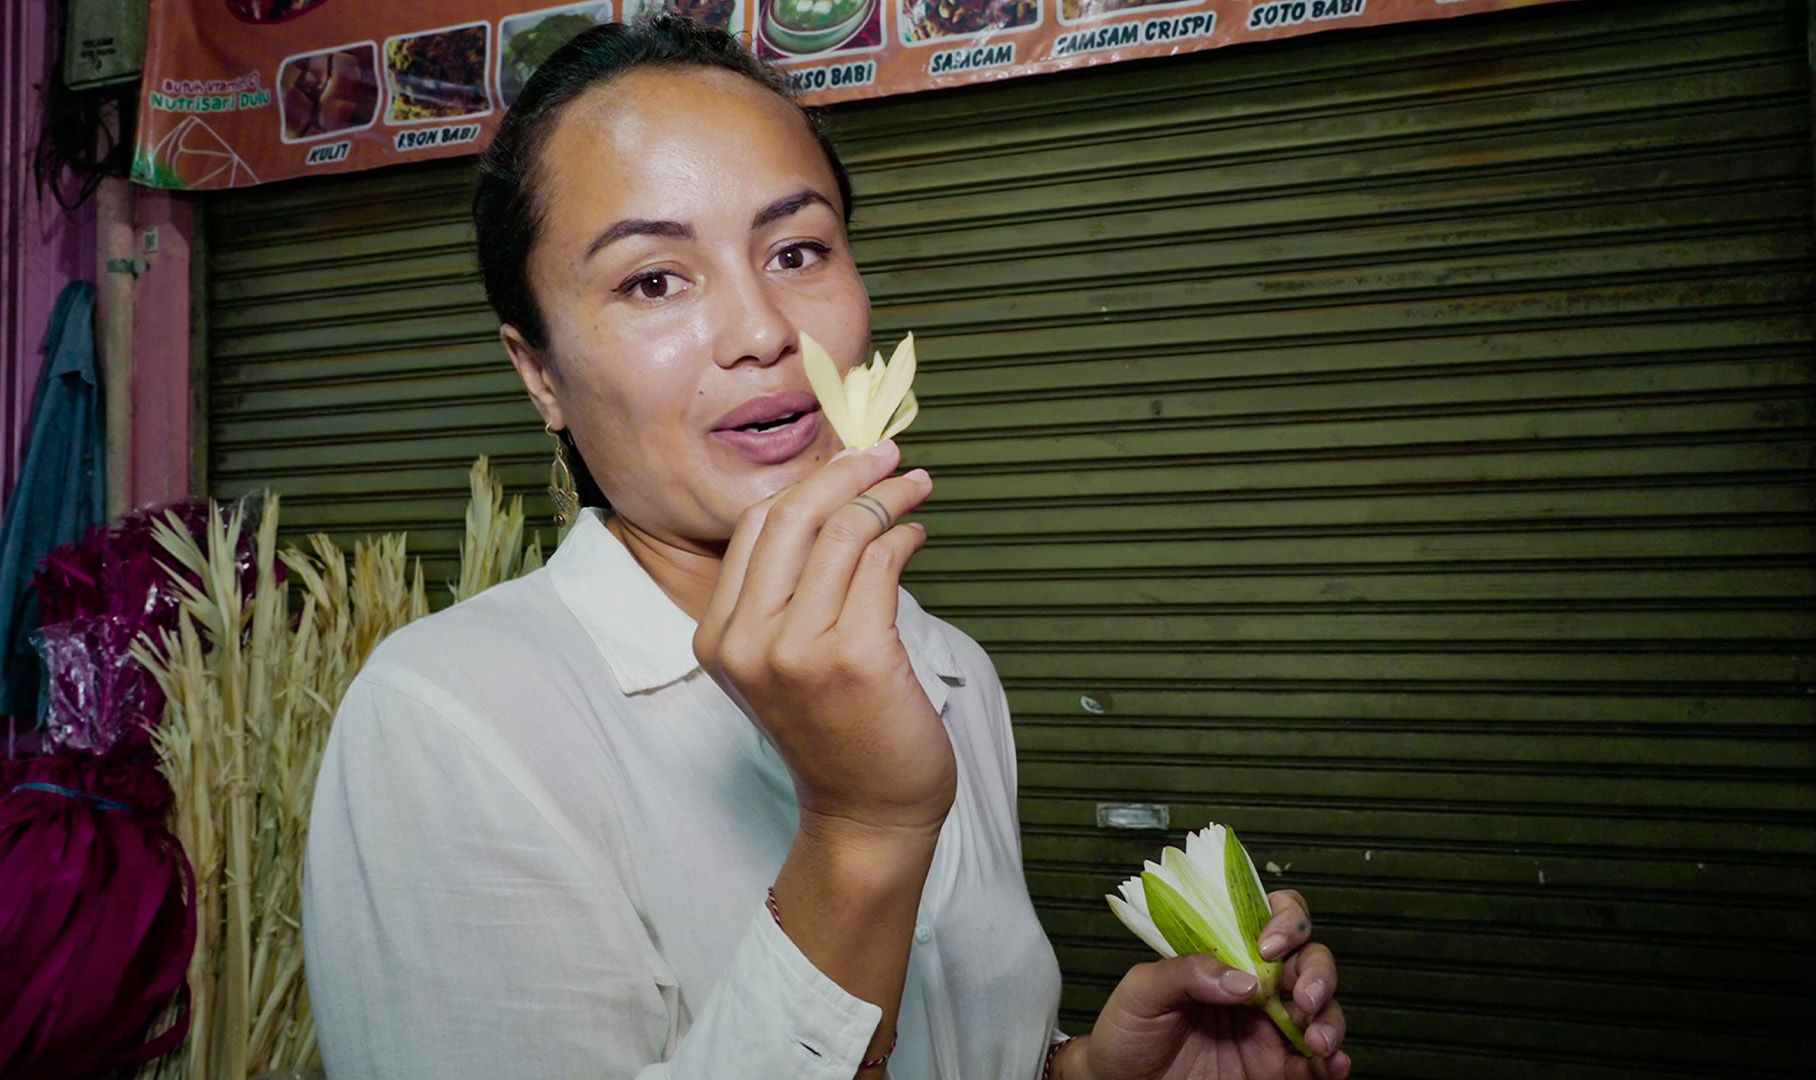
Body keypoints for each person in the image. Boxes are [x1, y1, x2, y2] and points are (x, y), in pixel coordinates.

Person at [302, 15, 1349, 1080]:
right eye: (653, 280)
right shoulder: (446, 721)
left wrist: (1087, 1072)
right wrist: (861, 830)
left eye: (797, 251)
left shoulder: (948, 671)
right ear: (538, 373)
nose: (762, 328)